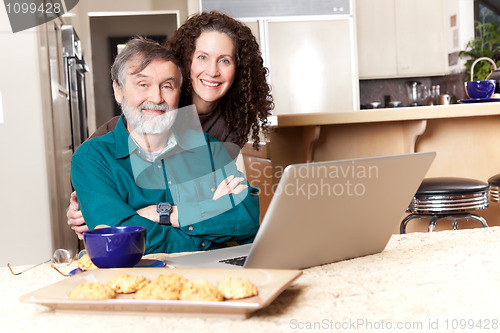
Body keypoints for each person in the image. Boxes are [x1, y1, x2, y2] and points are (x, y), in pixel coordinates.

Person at [68, 11, 273, 237]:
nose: (213, 71)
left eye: (224, 60)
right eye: (202, 57)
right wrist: (89, 205)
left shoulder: (231, 123)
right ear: (187, 62)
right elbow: (97, 177)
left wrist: (167, 214)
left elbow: (244, 217)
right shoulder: (142, 117)